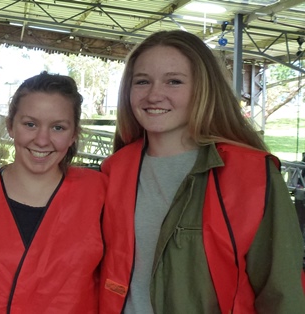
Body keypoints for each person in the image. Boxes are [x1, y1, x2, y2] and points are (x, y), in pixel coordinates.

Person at [99, 30, 305, 313]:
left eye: (174, 81)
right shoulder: (113, 171)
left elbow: (282, 291)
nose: (154, 94)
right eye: (142, 81)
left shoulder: (253, 174)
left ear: (203, 88)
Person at [0, 72, 106, 313]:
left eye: (58, 127)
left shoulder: (99, 192)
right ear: (10, 126)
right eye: (30, 124)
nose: (42, 140)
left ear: (73, 135)